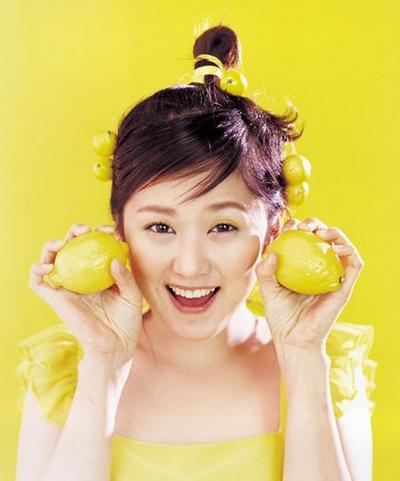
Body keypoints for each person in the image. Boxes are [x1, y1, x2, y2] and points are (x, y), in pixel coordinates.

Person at [15, 24, 376, 481]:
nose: (189, 265)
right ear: (120, 229)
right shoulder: (67, 373)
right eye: (160, 227)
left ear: (274, 230)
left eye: (223, 226)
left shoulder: (327, 368)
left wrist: (303, 359)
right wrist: (103, 366)